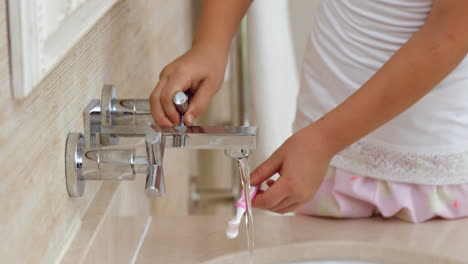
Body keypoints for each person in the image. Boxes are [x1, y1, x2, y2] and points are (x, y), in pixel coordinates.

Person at [149, 0, 468, 222]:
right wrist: (211, 45)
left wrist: (323, 140)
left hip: (433, 178)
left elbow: (450, 33)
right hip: (327, 170)